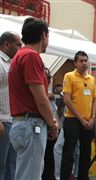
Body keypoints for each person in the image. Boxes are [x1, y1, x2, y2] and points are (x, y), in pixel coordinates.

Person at [8, 17, 58, 180]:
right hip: (32, 125)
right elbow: (41, 99)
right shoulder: (31, 56)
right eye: (48, 36)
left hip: (22, 123)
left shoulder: (19, 56)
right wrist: (52, 124)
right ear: (44, 35)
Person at [60, 50, 96, 180]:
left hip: (88, 121)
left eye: (86, 60)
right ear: (75, 63)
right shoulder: (69, 76)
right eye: (81, 61)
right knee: (68, 153)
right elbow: (67, 100)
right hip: (73, 120)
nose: (84, 63)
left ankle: (83, 177)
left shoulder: (91, 78)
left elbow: (94, 99)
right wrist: (81, 119)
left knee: (86, 154)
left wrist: (92, 118)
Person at [0, 31, 21, 180]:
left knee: (12, 163)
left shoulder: (12, 63)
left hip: (12, 120)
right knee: (1, 163)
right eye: (18, 44)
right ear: (7, 44)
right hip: (3, 120)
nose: (20, 48)